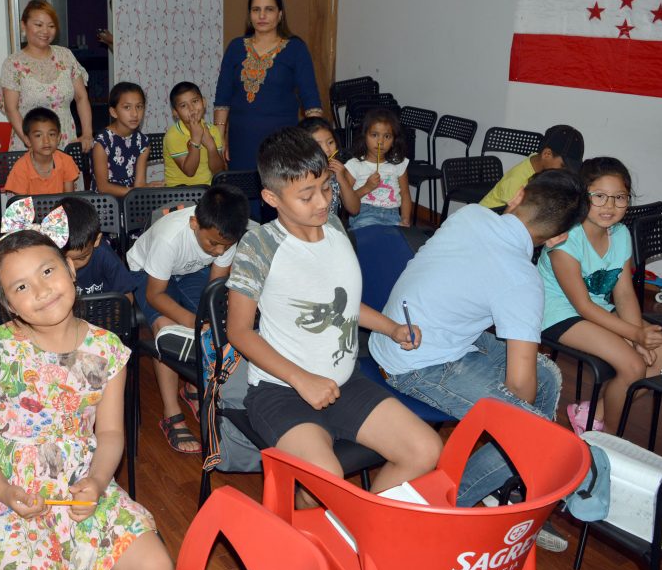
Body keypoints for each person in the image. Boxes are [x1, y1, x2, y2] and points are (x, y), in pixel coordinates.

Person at [0, 227, 173, 570]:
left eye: (47, 271)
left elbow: (110, 433)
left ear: (70, 269)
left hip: (81, 481)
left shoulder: (107, 349)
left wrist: (97, 482)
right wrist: (4, 491)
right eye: (21, 287)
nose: (40, 291)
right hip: (5, 488)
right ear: (8, 303)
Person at [226, 128, 441, 503]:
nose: (323, 202)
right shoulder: (259, 244)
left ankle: (361, 527)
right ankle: (313, 527)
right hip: (281, 391)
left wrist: (391, 328)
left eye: (326, 187)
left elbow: (341, 304)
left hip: (345, 382)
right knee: (324, 480)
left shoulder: (335, 226)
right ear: (271, 198)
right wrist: (302, 379)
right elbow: (239, 332)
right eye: (306, 196)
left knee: (425, 449)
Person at [369, 170, 589, 517]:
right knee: (532, 432)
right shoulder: (521, 279)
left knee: (547, 376)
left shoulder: (470, 214)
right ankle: (450, 504)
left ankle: (510, 481)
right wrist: (523, 422)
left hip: (406, 337)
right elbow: (520, 387)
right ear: (557, 238)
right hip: (414, 364)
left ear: (517, 196)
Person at [539, 157, 662, 435]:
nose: (610, 206)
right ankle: (609, 438)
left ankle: (594, 414)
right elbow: (582, 305)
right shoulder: (566, 238)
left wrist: (636, 337)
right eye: (600, 196)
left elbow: (624, 293)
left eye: (619, 197)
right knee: (633, 366)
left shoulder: (621, 234)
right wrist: (634, 334)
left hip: (596, 308)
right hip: (556, 312)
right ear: (582, 197)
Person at [127, 185, 250, 454]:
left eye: (226, 246)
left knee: (215, 322)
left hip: (191, 271)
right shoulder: (170, 238)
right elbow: (155, 295)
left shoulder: (225, 236)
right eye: (213, 244)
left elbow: (214, 291)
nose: (219, 251)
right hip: (146, 274)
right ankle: (171, 413)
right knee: (167, 329)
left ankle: (193, 388)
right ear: (195, 223)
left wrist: (207, 319)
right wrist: (194, 321)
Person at [213, 0, 324, 171]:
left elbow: (311, 101)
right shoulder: (235, 47)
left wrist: (317, 141)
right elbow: (222, 98)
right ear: (250, 15)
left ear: (280, 14)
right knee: (240, 187)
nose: (262, 15)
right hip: (241, 141)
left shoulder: (296, 49)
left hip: (281, 144)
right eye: (256, 10)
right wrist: (219, 138)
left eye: (269, 9)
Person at [0, 0, 93, 152]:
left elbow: (81, 97)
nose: (45, 31)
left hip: (64, 140)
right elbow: (11, 109)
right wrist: (29, 141)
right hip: (29, 145)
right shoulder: (13, 63)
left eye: (51, 26)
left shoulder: (65, 56)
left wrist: (87, 134)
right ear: (23, 25)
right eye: (38, 25)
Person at [479, 124, 585, 209]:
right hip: (490, 220)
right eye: (563, 167)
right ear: (546, 154)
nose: (567, 173)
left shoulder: (537, 161)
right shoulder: (517, 184)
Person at [57, 196, 140, 300]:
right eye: (63, 258)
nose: (71, 266)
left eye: (81, 258)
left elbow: (126, 296)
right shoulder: (48, 255)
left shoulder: (105, 256)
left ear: (96, 241)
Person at [345, 108, 412, 229]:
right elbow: (347, 199)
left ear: (394, 140)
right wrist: (367, 187)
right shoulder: (354, 165)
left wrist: (405, 219)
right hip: (364, 214)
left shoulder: (398, 163)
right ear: (364, 136)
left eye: (387, 136)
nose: (380, 141)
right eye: (374, 135)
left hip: (393, 215)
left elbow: (405, 194)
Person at [91, 82, 157, 196]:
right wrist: (136, 192)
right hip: (105, 201)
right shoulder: (102, 142)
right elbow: (103, 187)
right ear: (114, 112)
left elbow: (139, 184)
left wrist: (147, 188)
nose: (135, 114)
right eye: (127, 107)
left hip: (132, 200)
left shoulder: (143, 142)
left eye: (139, 107)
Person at [4, 108, 80, 196]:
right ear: (27, 140)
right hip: (29, 205)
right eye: (38, 135)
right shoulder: (20, 168)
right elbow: (22, 203)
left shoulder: (66, 161)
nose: (46, 141)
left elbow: (69, 199)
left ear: (58, 138)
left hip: (63, 205)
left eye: (51, 134)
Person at [163, 81, 226, 187]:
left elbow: (218, 171)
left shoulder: (213, 130)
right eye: (183, 106)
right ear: (175, 113)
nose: (191, 109)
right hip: (180, 192)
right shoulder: (173, 135)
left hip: (208, 190)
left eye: (195, 101)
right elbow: (190, 171)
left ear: (204, 102)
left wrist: (211, 146)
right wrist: (196, 140)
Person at [298, 117, 359, 218]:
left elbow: (354, 209)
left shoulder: (338, 172)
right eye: (318, 145)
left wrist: (342, 179)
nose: (327, 149)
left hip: (332, 226)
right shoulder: (299, 176)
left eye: (330, 142)